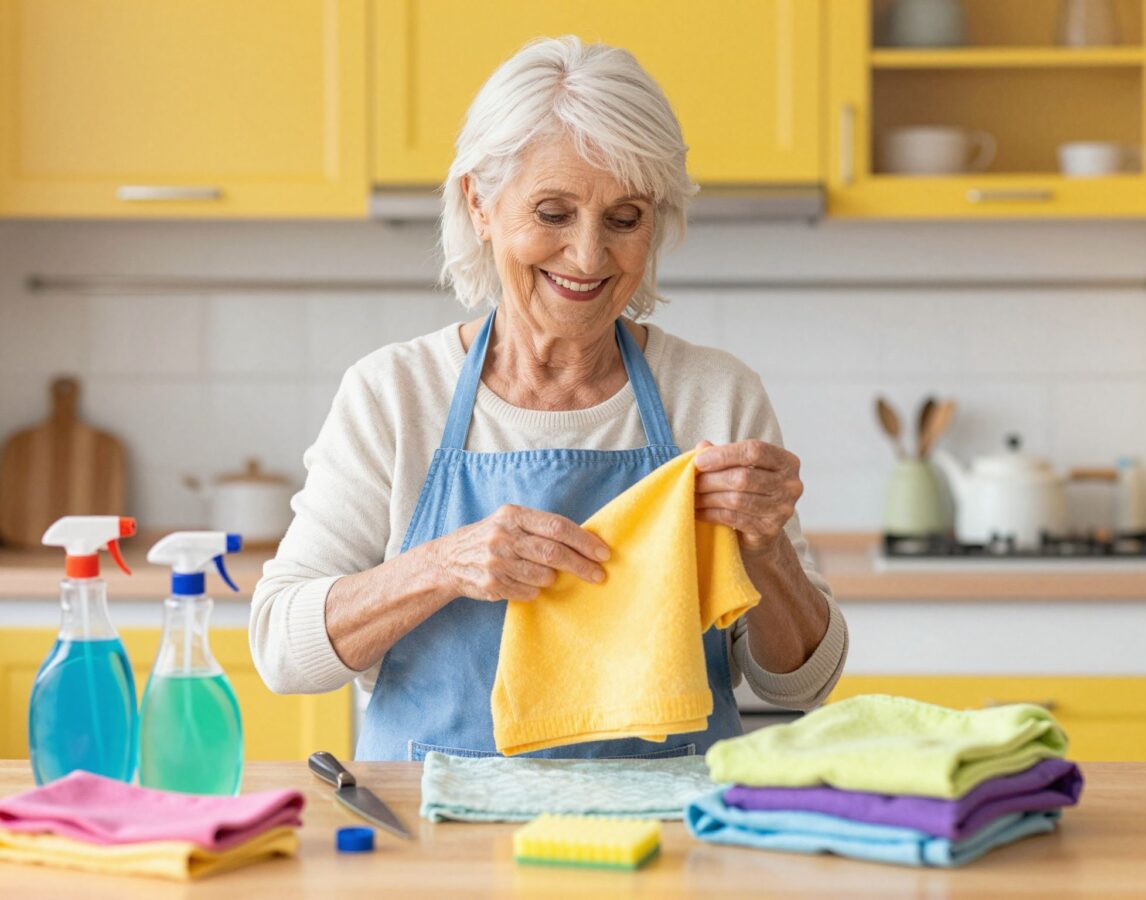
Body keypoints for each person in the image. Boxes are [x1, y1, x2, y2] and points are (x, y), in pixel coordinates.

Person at [251, 35, 847, 761]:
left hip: (666, 852)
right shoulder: (395, 396)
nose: (590, 256)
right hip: (440, 851)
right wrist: (441, 566)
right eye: (554, 213)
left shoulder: (713, 396)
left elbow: (801, 685)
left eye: (624, 219)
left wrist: (767, 549)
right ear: (480, 203)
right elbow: (282, 649)